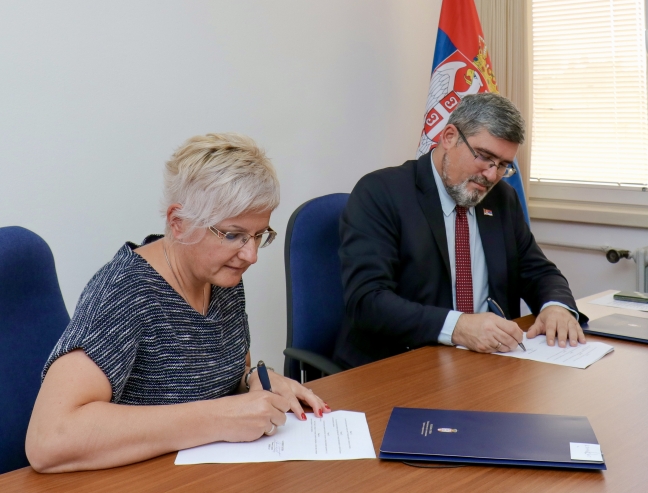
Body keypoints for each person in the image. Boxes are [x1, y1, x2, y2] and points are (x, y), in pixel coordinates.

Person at [26, 133, 329, 473]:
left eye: (259, 235)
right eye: (233, 235)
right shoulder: (125, 291)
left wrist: (254, 380)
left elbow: (224, 375)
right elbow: (48, 441)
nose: (251, 255)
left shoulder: (221, 276)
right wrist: (217, 418)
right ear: (179, 223)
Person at [334, 93, 587, 368]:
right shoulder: (381, 193)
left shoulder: (502, 199)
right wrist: (458, 327)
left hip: (487, 362)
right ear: (449, 137)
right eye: (485, 157)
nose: (491, 175)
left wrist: (556, 307)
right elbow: (367, 300)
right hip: (400, 363)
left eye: (503, 165)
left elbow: (538, 271)